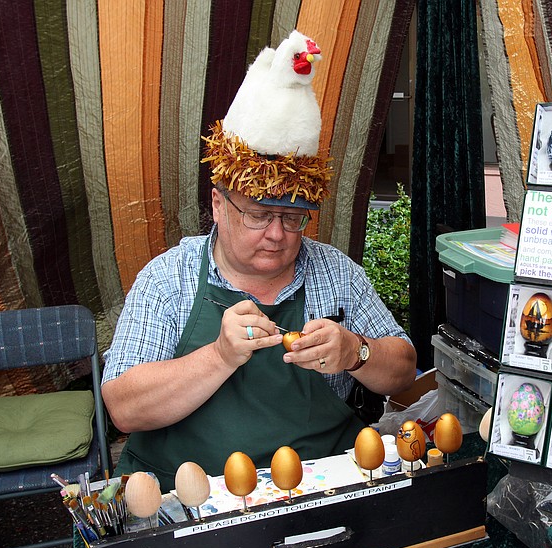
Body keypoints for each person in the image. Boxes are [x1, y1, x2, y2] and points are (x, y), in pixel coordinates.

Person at [101, 31, 416, 492]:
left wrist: (356, 352)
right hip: (189, 491)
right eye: (258, 214)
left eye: (292, 218)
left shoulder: (334, 272)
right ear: (218, 204)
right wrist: (218, 356)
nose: (276, 234)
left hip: (317, 484)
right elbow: (123, 407)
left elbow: (405, 368)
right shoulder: (169, 277)